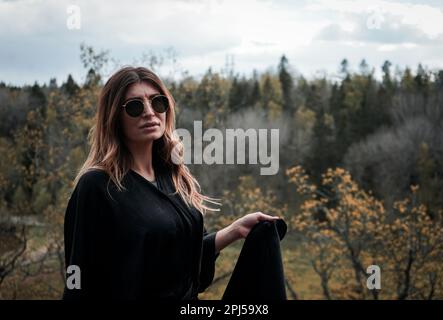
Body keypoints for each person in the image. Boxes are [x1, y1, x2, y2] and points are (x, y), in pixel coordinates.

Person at [63, 66, 280, 300]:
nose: (149, 112)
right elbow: (78, 277)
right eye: (135, 106)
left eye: (157, 102)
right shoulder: (98, 186)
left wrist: (235, 231)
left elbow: (186, 260)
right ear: (114, 116)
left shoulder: (174, 177)